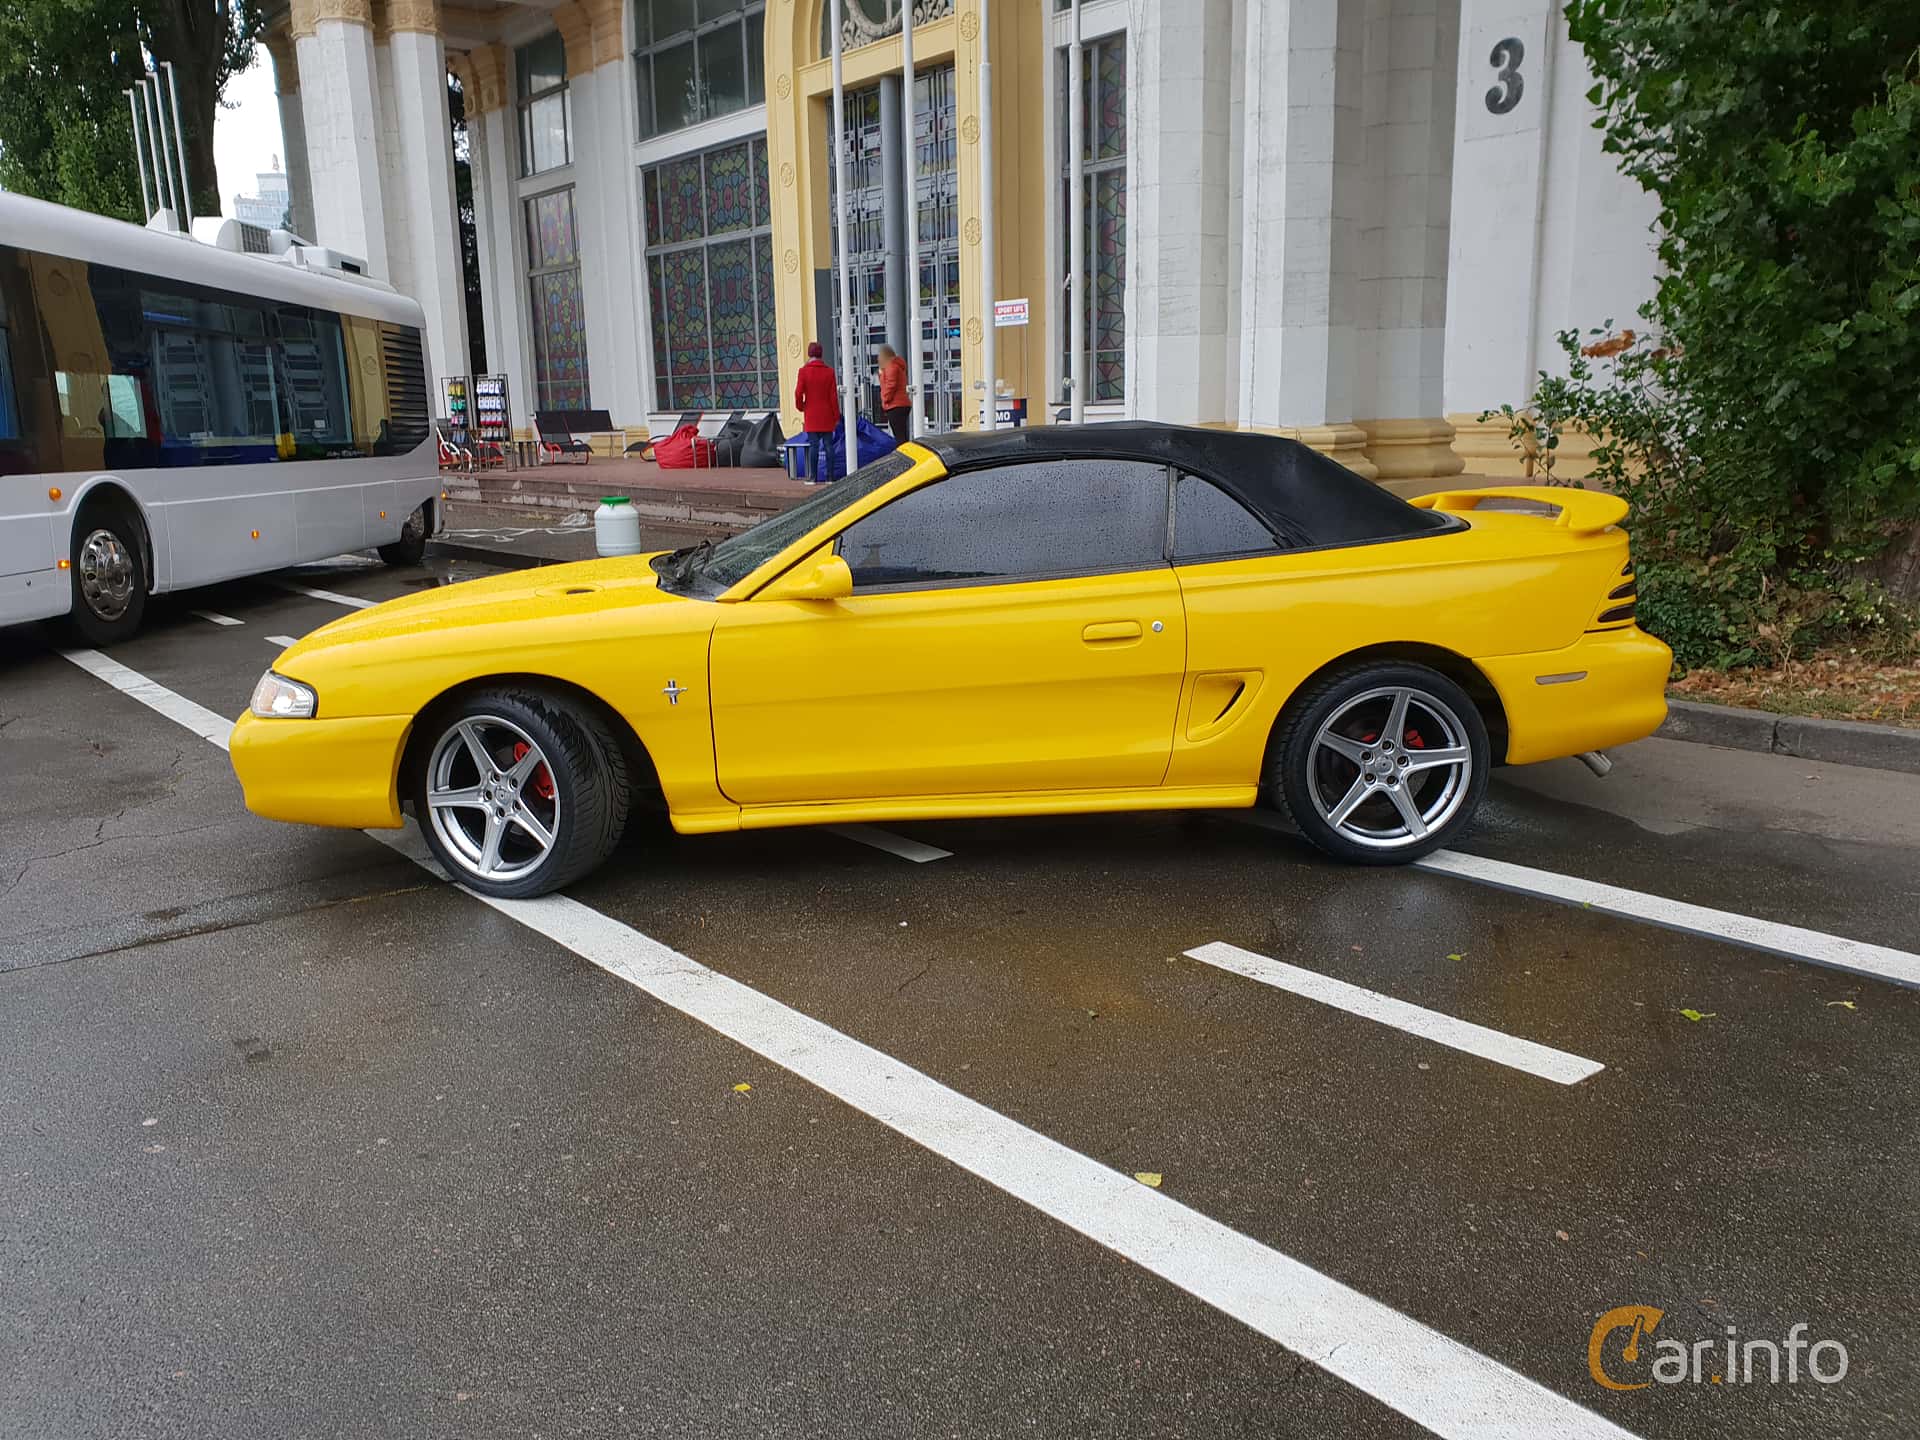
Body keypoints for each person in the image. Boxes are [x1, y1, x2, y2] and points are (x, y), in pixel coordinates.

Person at [794, 341, 840, 483]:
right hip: (827, 415)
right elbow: (833, 396)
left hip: (812, 414)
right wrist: (836, 415)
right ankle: (830, 477)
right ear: (821, 354)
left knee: (813, 446)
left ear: (809, 354)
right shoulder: (829, 372)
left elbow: (798, 392)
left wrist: (801, 407)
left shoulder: (803, 371)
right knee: (828, 446)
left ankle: (813, 477)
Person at [876, 343, 911, 442]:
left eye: (879, 356)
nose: (878, 359)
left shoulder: (892, 367)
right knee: (902, 434)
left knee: (900, 436)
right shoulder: (896, 366)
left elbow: (890, 385)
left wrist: (885, 400)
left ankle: (904, 455)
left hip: (895, 405)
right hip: (901, 404)